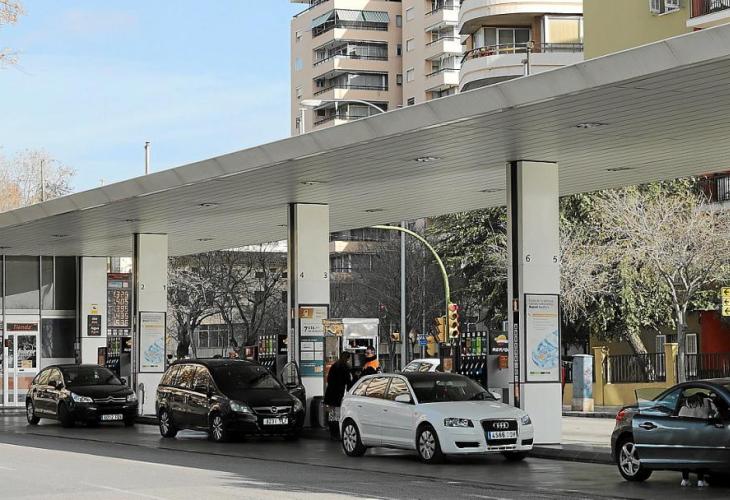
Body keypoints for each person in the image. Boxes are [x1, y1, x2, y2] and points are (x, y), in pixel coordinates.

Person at [678, 393, 717, 487]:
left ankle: (685, 479)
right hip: (700, 433)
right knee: (701, 456)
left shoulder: (685, 404)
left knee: (686, 456)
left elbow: (679, 417)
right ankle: (700, 480)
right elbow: (716, 414)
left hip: (686, 434)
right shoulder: (707, 402)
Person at [324, 352, 353, 439]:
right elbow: (348, 381)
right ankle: (336, 433)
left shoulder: (335, 365)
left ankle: (332, 433)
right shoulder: (345, 367)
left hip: (330, 393)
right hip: (338, 394)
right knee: (337, 414)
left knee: (331, 415)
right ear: (347, 358)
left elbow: (328, 379)